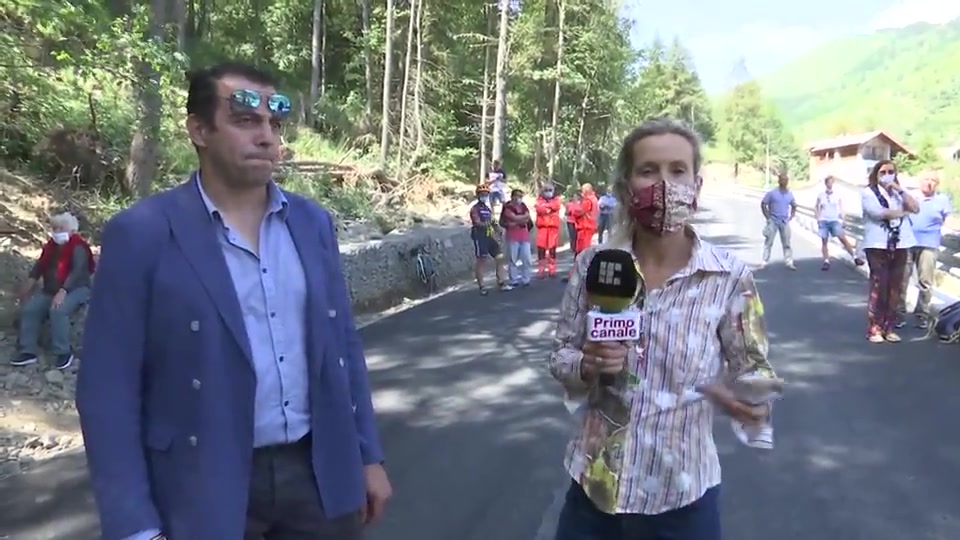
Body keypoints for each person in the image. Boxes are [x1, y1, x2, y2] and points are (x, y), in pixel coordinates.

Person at [75, 62, 392, 540]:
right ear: (199, 129)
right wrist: (133, 524)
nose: (267, 137)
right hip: (201, 482)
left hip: (317, 475)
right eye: (246, 121)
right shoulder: (141, 234)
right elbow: (107, 389)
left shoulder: (312, 224)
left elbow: (342, 349)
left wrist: (367, 455)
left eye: (274, 124)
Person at [549, 117, 778, 540]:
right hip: (594, 494)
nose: (665, 184)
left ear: (697, 185)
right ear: (626, 185)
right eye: (648, 170)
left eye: (678, 170)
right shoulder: (593, 265)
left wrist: (752, 400)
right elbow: (561, 354)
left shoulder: (727, 277)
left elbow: (754, 367)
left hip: (683, 501)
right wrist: (586, 365)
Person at [10, 212, 95, 370]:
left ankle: (63, 352)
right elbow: (39, 266)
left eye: (60, 228)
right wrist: (28, 285)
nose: (56, 231)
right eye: (54, 228)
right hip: (50, 289)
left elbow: (78, 271)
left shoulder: (78, 247)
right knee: (30, 309)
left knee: (58, 309)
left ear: (71, 229)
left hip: (76, 288)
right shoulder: (51, 247)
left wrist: (63, 291)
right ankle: (28, 350)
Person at [860, 159, 919, 343]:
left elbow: (915, 208)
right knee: (879, 286)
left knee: (895, 288)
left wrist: (899, 190)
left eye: (890, 171)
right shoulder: (868, 192)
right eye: (883, 172)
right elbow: (879, 212)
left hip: (900, 244)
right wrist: (903, 212)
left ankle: (889, 327)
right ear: (876, 174)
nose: (887, 175)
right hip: (877, 245)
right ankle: (874, 328)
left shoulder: (898, 194)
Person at [899, 169, 951, 329]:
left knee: (925, 281)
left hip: (929, 244)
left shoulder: (942, 199)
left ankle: (922, 314)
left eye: (933, 180)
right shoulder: (910, 196)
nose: (929, 183)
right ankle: (899, 313)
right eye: (926, 179)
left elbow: (948, 219)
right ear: (919, 181)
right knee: (902, 279)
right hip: (907, 242)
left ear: (937, 184)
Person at [814, 175, 863, 270]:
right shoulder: (821, 195)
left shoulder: (837, 195)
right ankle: (826, 261)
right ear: (826, 183)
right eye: (828, 182)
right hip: (824, 220)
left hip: (834, 220)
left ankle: (855, 257)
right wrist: (818, 217)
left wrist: (843, 219)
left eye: (831, 182)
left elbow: (841, 208)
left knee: (843, 238)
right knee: (824, 241)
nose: (830, 184)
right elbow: (816, 206)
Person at [471, 184, 511, 295]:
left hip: (489, 236)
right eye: (482, 194)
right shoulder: (475, 209)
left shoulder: (487, 209)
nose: (484, 196)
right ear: (478, 195)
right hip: (480, 237)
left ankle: (501, 282)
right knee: (482, 260)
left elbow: (493, 222)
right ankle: (481, 286)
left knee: (499, 257)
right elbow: (477, 222)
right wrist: (488, 223)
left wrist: (499, 229)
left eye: (486, 194)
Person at [760, 172, 797, 270]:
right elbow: (763, 204)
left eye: (786, 180)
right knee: (768, 242)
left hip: (784, 221)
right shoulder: (772, 193)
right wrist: (767, 217)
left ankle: (789, 262)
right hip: (773, 220)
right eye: (782, 180)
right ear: (779, 181)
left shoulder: (789, 194)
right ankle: (764, 261)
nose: (784, 182)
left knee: (786, 243)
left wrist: (791, 216)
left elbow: (794, 205)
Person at [500, 188, 534, 287]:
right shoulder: (508, 207)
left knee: (527, 259)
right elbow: (512, 217)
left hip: (524, 236)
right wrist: (520, 220)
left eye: (520, 196)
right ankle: (513, 279)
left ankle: (526, 279)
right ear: (512, 196)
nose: (518, 198)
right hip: (512, 236)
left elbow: (527, 217)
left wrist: (516, 221)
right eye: (517, 196)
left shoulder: (523, 206)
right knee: (512, 259)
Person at [534, 182, 562, 278]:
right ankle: (541, 270)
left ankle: (552, 269)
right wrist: (548, 208)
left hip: (552, 228)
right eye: (546, 190)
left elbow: (556, 206)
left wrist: (546, 207)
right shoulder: (539, 200)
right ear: (542, 191)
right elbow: (539, 209)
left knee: (552, 249)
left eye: (550, 190)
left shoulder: (557, 200)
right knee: (541, 249)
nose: (548, 192)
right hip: (542, 228)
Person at [577, 183, 599, 253]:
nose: (582, 191)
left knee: (583, 247)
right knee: (587, 244)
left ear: (587, 190)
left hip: (585, 225)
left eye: (582, 190)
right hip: (592, 224)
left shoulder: (587, 200)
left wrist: (574, 212)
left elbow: (581, 211)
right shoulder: (594, 199)